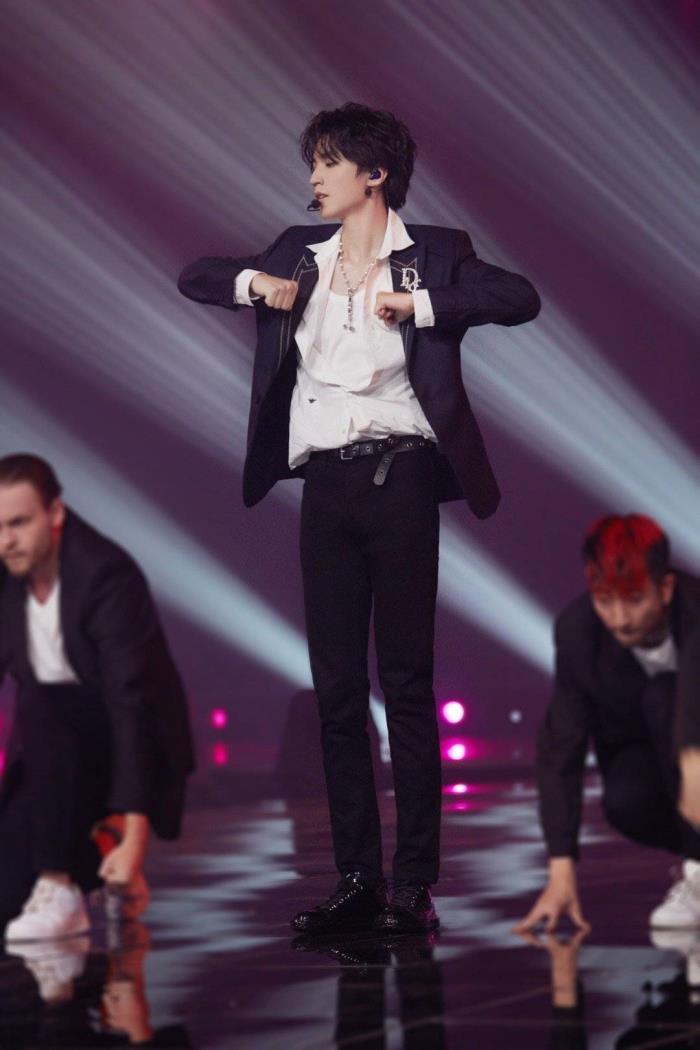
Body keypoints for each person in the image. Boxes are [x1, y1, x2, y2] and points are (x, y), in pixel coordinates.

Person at [179, 102, 540, 934]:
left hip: (401, 477)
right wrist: (256, 286)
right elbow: (196, 274)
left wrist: (418, 307)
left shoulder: (433, 254)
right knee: (337, 692)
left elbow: (518, 298)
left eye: (328, 162)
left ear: (374, 174)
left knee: (406, 685)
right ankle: (357, 881)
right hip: (325, 488)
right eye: (313, 162)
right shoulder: (295, 253)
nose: (314, 178)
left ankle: (413, 886)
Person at [0, 454, 195, 941]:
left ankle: (62, 884)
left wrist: (135, 839)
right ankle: (96, 850)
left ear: (55, 513)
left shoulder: (105, 575)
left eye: (19, 523)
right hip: (52, 759)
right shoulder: (6, 574)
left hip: (127, 747)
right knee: (5, 900)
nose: (6, 541)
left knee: (44, 700)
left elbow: (133, 706)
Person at [517, 514, 700, 935]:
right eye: (604, 600)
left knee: (664, 695)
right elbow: (561, 746)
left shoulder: (695, 607)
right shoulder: (578, 632)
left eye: (634, 599)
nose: (619, 619)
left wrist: (693, 760)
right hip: (651, 754)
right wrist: (560, 870)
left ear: (665, 587)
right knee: (624, 801)